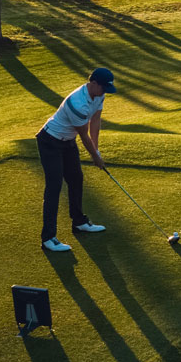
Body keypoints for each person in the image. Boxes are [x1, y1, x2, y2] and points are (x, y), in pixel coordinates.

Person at [36, 67, 115, 252]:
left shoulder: (99, 95)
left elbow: (96, 120)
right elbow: (84, 135)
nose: (105, 92)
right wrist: (94, 157)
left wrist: (97, 150)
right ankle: (48, 238)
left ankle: (79, 222)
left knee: (76, 179)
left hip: (67, 141)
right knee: (54, 187)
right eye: (103, 88)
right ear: (93, 83)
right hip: (50, 141)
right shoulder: (77, 103)